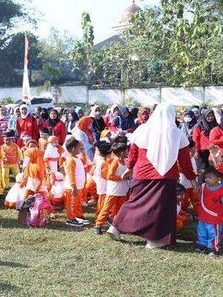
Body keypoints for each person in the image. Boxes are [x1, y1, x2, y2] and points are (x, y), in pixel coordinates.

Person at [108, 103, 197, 249]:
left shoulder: (142, 130)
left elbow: (133, 153)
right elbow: (185, 162)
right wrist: (192, 178)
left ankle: (116, 227)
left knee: (135, 202)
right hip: (166, 177)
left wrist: (129, 168)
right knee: (160, 209)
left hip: (142, 173)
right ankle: (153, 241)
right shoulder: (177, 134)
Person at [94, 143, 130, 235]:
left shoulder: (124, 162)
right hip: (113, 190)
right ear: (121, 152)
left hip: (122, 190)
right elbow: (109, 176)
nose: (128, 152)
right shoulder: (115, 162)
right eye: (126, 150)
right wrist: (121, 177)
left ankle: (116, 226)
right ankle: (98, 225)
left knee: (119, 210)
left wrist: (127, 177)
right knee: (106, 208)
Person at [196, 166, 222, 256]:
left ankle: (213, 248)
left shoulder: (221, 190)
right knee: (201, 231)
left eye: (210, 177)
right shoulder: (203, 187)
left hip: (215, 218)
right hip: (202, 216)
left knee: (213, 233)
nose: (207, 179)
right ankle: (201, 245)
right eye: (206, 177)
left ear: (219, 178)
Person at [63, 138, 88, 227]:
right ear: (73, 148)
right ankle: (70, 219)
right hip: (72, 188)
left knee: (76, 203)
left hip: (78, 187)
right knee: (71, 204)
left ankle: (77, 216)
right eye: (79, 147)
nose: (80, 149)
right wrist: (73, 187)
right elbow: (71, 175)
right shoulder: (70, 160)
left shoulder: (77, 158)